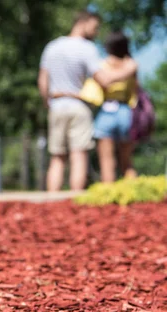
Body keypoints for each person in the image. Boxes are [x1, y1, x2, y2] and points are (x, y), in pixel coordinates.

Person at [38, 10, 137, 191]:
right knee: (78, 155)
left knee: (57, 157)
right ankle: (75, 201)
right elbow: (104, 80)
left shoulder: (52, 46)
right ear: (84, 22)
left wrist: (48, 103)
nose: (96, 32)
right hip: (78, 106)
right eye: (95, 27)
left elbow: (43, 81)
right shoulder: (87, 48)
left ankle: (51, 202)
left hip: (56, 105)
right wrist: (129, 70)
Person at [93, 31, 138, 182]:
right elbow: (136, 87)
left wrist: (108, 77)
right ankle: (134, 195)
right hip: (126, 110)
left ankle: (108, 198)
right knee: (126, 160)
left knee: (106, 160)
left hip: (106, 110)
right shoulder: (131, 64)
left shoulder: (102, 64)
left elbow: (103, 82)